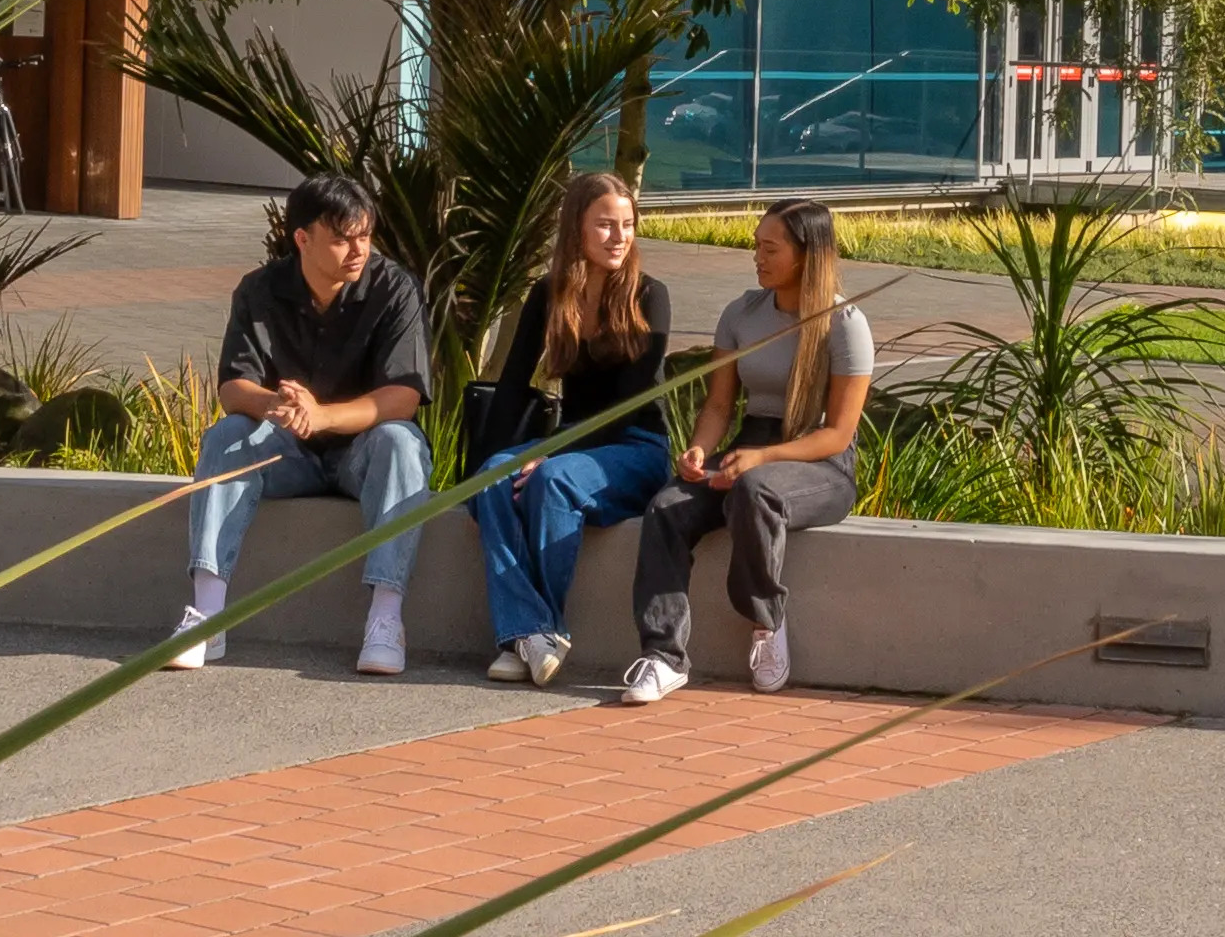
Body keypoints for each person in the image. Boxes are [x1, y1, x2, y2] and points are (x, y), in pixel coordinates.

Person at [175, 170, 433, 676]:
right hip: (287, 451)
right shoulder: (259, 290)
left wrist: (323, 415)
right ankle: (207, 615)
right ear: (303, 238)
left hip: (363, 456)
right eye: (341, 239)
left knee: (402, 443)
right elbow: (233, 387)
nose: (357, 250)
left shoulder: (394, 288)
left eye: (365, 235)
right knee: (227, 436)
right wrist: (279, 406)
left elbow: (402, 397)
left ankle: (385, 620)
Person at [645, 197, 871, 705]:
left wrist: (762, 460)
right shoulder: (740, 314)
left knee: (754, 489)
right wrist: (700, 451)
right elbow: (719, 406)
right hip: (749, 447)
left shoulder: (845, 323)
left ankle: (766, 623)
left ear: (807, 254)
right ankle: (663, 656)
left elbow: (837, 433)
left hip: (821, 463)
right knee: (666, 508)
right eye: (756, 247)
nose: (757, 258)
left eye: (769, 248)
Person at [468, 170, 686, 691]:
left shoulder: (650, 295)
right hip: (569, 445)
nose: (619, 237)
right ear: (576, 231)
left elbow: (633, 403)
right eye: (605, 225)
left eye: (627, 225)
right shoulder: (549, 294)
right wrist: (480, 472)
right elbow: (513, 386)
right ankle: (532, 634)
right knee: (493, 477)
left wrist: (548, 454)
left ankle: (532, 632)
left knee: (552, 479)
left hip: (635, 446)